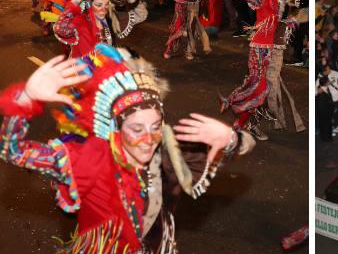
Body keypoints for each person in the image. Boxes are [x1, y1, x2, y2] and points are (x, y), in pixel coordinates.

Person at [0, 44, 254, 252]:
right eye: (136, 129)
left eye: (156, 126)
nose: (148, 138)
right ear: (115, 129)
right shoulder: (83, 161)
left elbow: (246, 145)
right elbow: (12, 151)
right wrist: (26, 98)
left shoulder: (165, 154)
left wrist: (232, 138)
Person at [220, 0, 303, 141]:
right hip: (259, 49)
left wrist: (290, 23)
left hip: (271, 50)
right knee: (259, 88)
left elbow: (297, 3)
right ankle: (238, 115)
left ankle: (247, 122)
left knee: (261, 90)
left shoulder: (281, 1)